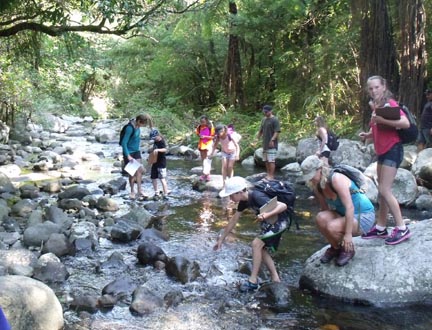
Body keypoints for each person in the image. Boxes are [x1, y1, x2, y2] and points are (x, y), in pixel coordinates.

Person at [359, 75, 411, 245]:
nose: (374, 91)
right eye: (371, 88)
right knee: (382, 192)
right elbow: (380, 130)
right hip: (383, 151)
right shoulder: (377, 106)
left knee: (384, 189)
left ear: (383, 86)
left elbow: (405, 123)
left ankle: (402, 228)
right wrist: (368, 135)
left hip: (392, 150)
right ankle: (381, 228)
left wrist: (381, 119)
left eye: (376, 87)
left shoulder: (389, 103)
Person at [214, 176, 289, 292]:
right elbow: (233, 221)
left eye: (231, 195)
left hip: (280, 222)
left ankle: (252, 281)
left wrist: (266, 215)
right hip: (271, 222)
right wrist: (221, 239)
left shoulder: (256, 196)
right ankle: (276, 278)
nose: (230, 197)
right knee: (262, 249)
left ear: (239, 192)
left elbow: (283, 206)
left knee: (256, 244)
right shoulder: (243, 202)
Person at [300, 155, 376, 266]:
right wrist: (331, 234)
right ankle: (336, 247)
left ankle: (348, 250)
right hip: (345, 215)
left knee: (332, 226)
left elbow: (350, 207)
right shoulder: (317, 186)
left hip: (363, 215)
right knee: (320, 218)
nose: (310, 178)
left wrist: (348, 235)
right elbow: (325, 210)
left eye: (311, 175)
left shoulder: (336, 179)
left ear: (320, 169)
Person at [121, 114, 152, 200]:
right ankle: (132, 191)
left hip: (136, 151)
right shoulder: (129, 128)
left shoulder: (138, 126)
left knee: (139, 171)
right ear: (138, 121)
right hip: (129, 153)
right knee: (132, 173)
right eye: (142, 124)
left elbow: (149, 120)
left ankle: (140, 190)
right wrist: (128, 156)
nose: (143, 126)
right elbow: (124, 143)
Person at [256, 105, 281, 180]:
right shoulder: (263, 119)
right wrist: (257, 139)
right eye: (264, 112)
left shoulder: (275, 120)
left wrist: (272, 139)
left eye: (266, 112)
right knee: (266, 160)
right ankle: (268, 174)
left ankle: (271, 176)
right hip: (265, 144)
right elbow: (261, 130)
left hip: (272, 144)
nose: (265, 113)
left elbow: (277, 131)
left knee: (271, 160)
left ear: (271, 111)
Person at [149, 129, 170, 199]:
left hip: (161, 163)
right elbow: (153, 149)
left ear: (158, 135)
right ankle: (156, 192)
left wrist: (158, 150)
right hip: (155, 162)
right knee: (153, 177)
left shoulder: (162, 141)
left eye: (155, 137)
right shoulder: (155, 141)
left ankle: (165, 193)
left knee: (162, 178)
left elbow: (165, 149)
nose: (154, 139)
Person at [196, 115, 215, 181]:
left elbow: (213, 137)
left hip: (209, 144)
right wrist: (200, 136)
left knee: (208, 159)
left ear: (206, 121)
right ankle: (204, 174)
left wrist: (205, 137)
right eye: (201, 122)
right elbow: (197, 134)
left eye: (203, 122)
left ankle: (208, 174)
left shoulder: (210, 127)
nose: (202, 123)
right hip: (201, 144)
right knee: (203, 160)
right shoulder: (199, 127)